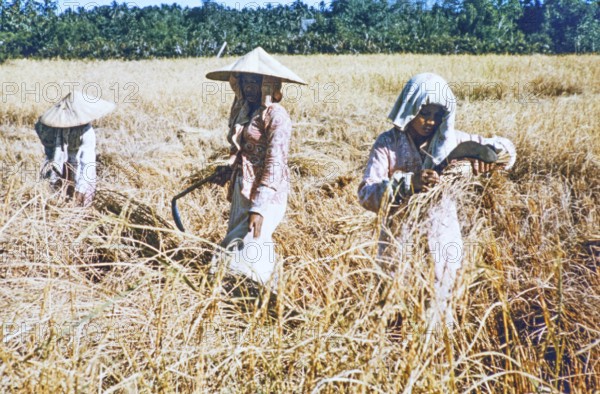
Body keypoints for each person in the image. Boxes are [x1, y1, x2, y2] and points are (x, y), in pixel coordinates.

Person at [358, 73, 516, 329]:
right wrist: (409, 184)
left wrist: (491, 156)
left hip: (441, 238)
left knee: (439, 317)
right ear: (410, 108)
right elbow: (367, 193)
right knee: (395, 315)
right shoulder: (388, 143)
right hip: (399, 241)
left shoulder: (452, 140)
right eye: (424, 112)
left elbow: (507, 150)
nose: (430, 121)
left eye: (438, 115)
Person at [205, 47, 306, 285]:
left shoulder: (276, 116)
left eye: (256, 81)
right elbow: (241, 150)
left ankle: (254, 292)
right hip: (242, 187)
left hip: (267, 194)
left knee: (251, 242)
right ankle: (256, 291)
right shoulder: (244, 109)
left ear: (268, 84)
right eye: (245, 81)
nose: (250, 87)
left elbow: (275, 162)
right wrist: (228, 168)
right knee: (243, 241)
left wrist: (259, 207)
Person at [35, 90, 115, 207]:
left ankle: (80, 209)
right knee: (57, 196)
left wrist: (81, 189)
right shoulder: (50, 128)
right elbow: (49, 151)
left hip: (79, 166)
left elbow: (86, 162)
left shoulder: (86, 132)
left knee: (81, 199)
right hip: (60, 163)